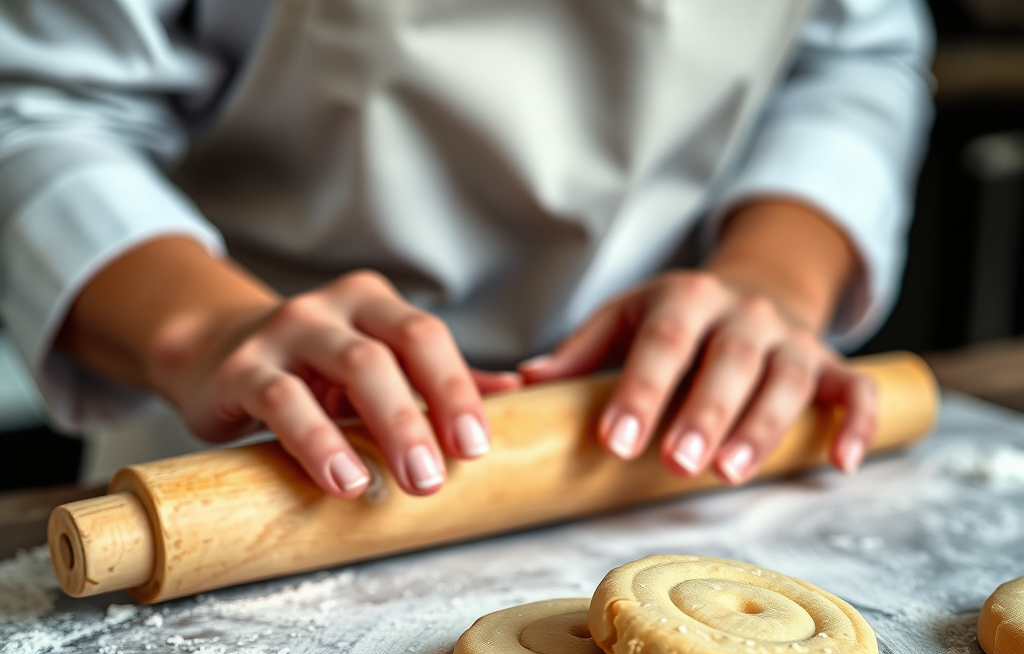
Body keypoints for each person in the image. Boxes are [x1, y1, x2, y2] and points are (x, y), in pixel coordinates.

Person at [0, 0, 933, 500]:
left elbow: (854, 57)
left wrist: (771, 279)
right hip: (271, 447)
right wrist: (204, 329)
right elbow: (36, 109)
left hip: (684, 432)